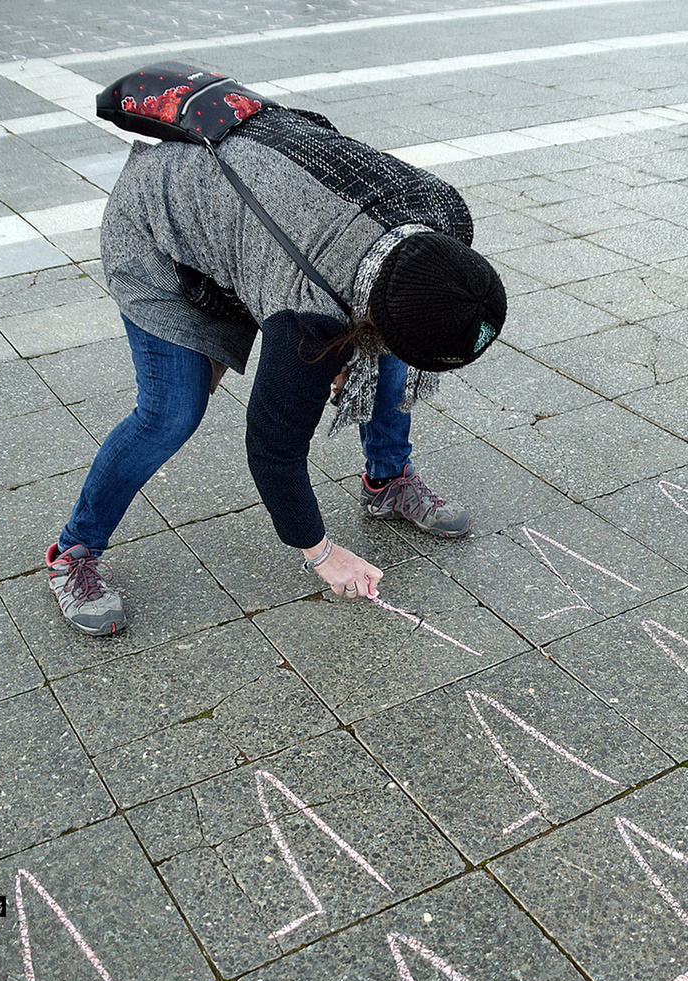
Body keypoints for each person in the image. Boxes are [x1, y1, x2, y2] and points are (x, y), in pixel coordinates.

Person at [46, 97, 507, 636]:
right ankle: (73, 551)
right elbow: (274, 451)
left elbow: (395, 328)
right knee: (171, 411)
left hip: (267, 223)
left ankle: (387, 482)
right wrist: (322, 553)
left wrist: (362, 353)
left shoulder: (442, 214)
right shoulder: (309, 316)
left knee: (388, 361)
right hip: (163, 228)